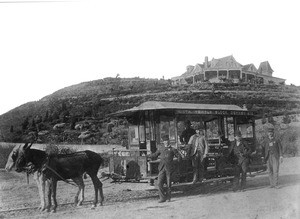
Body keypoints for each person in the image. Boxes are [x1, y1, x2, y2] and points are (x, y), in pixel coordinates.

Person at [147, 135, 182, 203]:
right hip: (162, 168)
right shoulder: (161, 149)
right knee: (159, 183)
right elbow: (155, 155)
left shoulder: (173, 149)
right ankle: (162, 198)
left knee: (169, 184)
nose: (166, 142)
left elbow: (179, 157)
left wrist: (176, 164)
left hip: (169, 169)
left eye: (167, 140)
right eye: (164, 141)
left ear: (169, 141)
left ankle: (168, 198)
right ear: (163, 142)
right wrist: (148, 156)